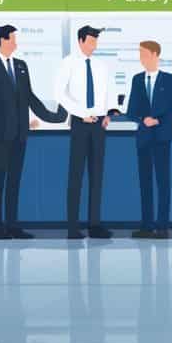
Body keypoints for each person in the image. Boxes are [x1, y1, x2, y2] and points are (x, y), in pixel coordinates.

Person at [0, 24, 66, 240]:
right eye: (13, 39)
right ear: (3, 40)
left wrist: (57, 116)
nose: (16, 42)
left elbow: (30, 99)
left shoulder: (22, 66)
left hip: (20, 134)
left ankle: (13, 225)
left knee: (14, 181)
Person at [56, 25, 117, 239]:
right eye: (91, 41)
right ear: (81, 41)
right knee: (76, 175)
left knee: (96, 175)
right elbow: (59, 94)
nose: (94, 45)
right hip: (80, 124)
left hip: (99, 125)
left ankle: (94, 224)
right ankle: (73, 226)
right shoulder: (68, 64)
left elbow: (109, 92)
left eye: (96, 41)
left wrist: (109, 113)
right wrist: (81, 113)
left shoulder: (101, 66)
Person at [125, 40, 172, 239]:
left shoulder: (170, 80)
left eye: (143, 53)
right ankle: (147, 225)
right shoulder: (137, 80)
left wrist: (157, 120)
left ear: (155, 54)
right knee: (145, 182)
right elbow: (130, 111)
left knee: (162, 182)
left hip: (161, 137)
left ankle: (162, 226)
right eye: (139, 53)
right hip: (143, 138)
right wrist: (143, 119)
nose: (141, 57)